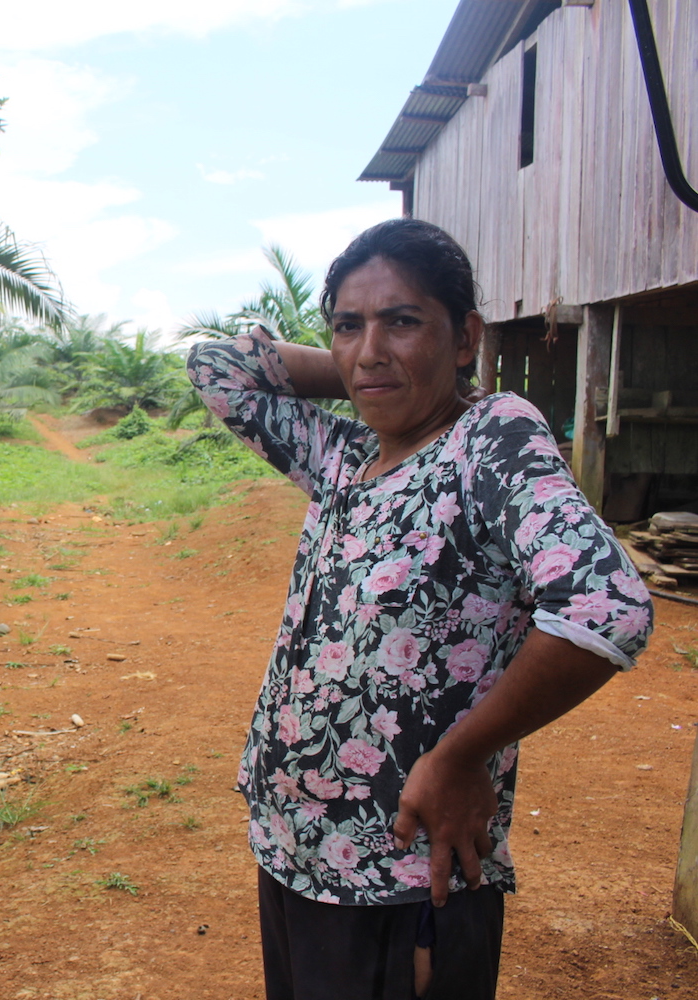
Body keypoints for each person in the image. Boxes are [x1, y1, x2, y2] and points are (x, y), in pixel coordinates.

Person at [185, 218, 654, 1000]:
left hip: (403, 871)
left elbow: (606, 606)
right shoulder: (341, 455)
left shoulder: (488, 439)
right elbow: (216, 366)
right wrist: (375, 370)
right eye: (347, 325)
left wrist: (465, 755)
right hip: (297, 849)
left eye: (403, 321)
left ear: (466, 336)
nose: (371, 345)